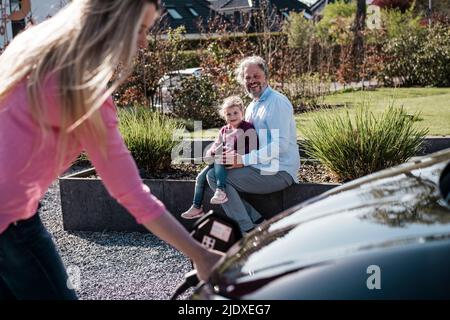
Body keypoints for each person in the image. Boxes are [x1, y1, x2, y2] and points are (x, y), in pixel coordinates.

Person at [0, 0, 222, 300]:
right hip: (10, 222)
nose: (143, 42)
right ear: (114, 23)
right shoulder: (82, 90)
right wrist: (202, 255)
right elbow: (131, 194)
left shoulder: (30, 50)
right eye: (140, 30)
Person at [206, 56, 300, 234]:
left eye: (256, 76)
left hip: (279, 170)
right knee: (213, 173)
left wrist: (243, 159)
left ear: (266, 76)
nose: (252, 81)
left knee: (216, 178)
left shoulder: (277, 102)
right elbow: (237, 135)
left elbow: (281, 145)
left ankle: (247, 229)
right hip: (260, 166)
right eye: (247, 78)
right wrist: (217, 150)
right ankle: (256, 221)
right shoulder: (251, 107)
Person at [181, 96, 258, 219]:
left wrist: (237, 155)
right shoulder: (224, 130)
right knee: (201, 177)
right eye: (228, 114)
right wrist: (212, 152)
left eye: (235, 113)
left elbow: (253, 147)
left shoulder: (247, 128)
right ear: (224, 116)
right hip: (221, 161)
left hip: (236, 161)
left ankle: (220, 190)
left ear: (242, 112)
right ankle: (197, 207)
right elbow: (216, 145)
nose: (232, 116)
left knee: (220, 156)